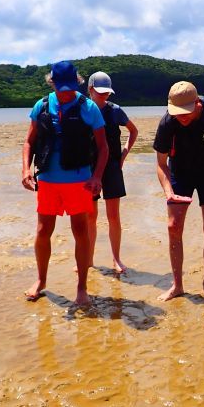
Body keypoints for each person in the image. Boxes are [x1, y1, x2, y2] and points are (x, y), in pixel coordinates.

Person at [21, 61, 109, 306]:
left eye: (71, 87)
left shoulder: (88, 107)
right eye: (62, 87)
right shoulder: (41, 106)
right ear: (53, 83)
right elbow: (29, 143)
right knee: (42, 231)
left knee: (80, 231)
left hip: (79, 181)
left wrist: (97, 177)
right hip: (48, 179)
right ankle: (41, 280)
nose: (66, 92)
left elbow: (103, 148)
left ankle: (82, 288)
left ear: (78, 83)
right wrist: (26, 168)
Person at [153, 81, 204, 304]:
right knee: (173, 226)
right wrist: (168, 191)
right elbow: (161, 163)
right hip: (180, 172)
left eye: (186, 112)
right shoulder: (168, 122)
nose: (182, 117)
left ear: (197, 103)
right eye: (177, 113)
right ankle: (177, 285)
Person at [84, 71, 139, 274]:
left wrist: (124, 154)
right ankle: (88, 259)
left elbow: (134, 131)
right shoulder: (83, 110)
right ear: (90, 89)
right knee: (90, 216)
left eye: (107, 93)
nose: (105, 96)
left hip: (112, 167)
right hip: (89, 168)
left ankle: (116, 259)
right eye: (101, 92)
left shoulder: (115, 111)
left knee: (113, 216)